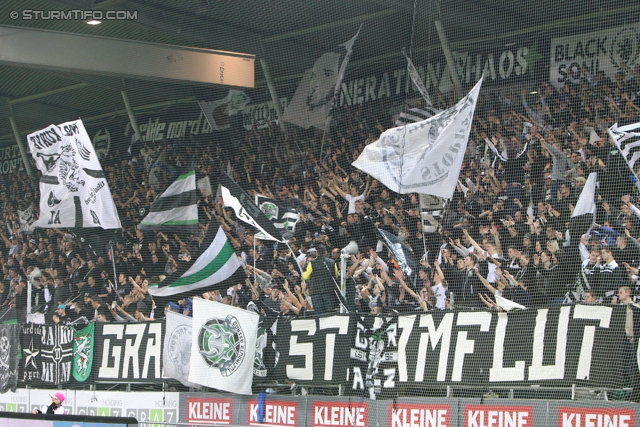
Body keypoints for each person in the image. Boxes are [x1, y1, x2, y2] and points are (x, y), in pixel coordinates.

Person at [302, 244, 339, 314]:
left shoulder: (312, 264)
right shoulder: (332, 262)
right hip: (329, 292)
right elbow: (336, 275)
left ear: (317, 252)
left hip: (316, 293)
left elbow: (306, 277)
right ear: (325, 252)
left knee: (320, 315)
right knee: (330, 314)